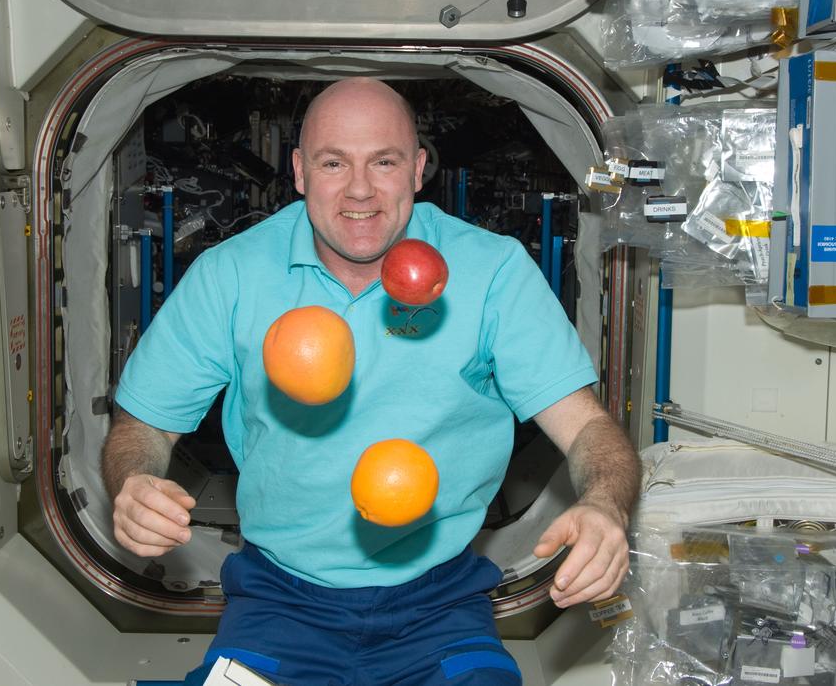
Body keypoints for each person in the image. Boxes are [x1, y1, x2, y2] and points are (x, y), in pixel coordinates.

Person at [102, 77, 641, 685]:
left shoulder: (492, 273)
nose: (360, 190)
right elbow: (142, 427)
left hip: (439, 605)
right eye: (335, 163)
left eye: (383, 162)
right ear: (301, 171)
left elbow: (590, 430)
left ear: (417, 169)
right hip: (280, 602)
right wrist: (137, 480)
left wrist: (604, 504)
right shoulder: (229, 275)